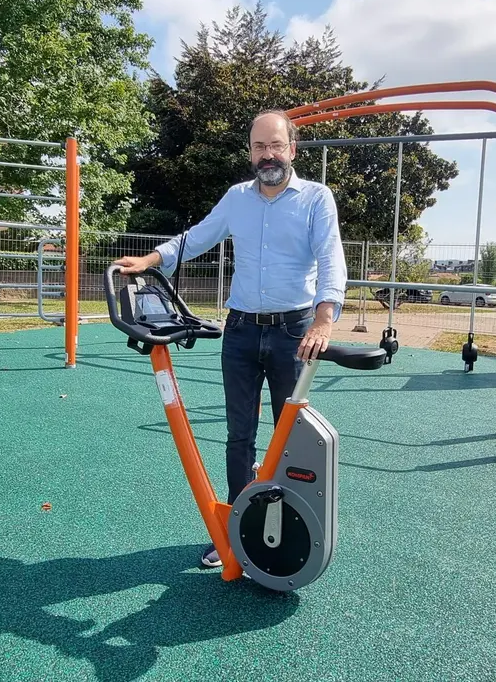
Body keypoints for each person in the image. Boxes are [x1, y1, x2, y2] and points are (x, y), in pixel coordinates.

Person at [114, 109, 348, 568]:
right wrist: (149, 260)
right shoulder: (237, 198)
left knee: (289, 434)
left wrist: (324, 320)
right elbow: (196, 238)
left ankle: (281, 532)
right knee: (239, 434)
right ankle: (234, 527)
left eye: (275, 145)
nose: (268, 155)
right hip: (241, 330)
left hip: (293, 331)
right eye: (259, 147)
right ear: (250, 152)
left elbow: (331, 257)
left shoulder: (316, 199)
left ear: (292, 149)